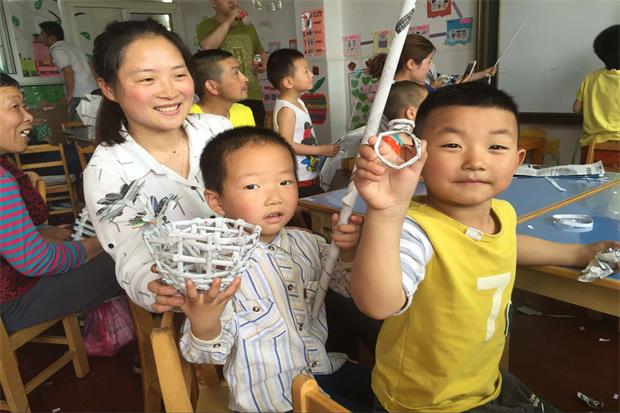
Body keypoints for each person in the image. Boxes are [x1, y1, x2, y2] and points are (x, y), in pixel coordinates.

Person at [351, 82, 619, 412]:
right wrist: (386, 213)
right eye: (453, 144)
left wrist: (580, 253)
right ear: (418, 155)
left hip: (482, 382)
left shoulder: (502, 213)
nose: (475, 161)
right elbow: (379, 303)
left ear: (517, 160)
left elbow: (507, 245)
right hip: (427, 404)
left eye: (496, 146)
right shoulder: (416, 229)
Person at [178, 126, 372, 412]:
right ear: (217, 201)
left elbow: (347, 288)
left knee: (393, 392)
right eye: (252, 186)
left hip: (321, 370)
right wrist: (204, 324)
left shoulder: (308, 243)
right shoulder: (216, 265)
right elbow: (203, 356)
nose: (274, 197)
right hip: (271, 399)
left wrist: (348, 253)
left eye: (285, 181)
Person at [83, 19, 230, 311]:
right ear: (108, 89)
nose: (170, 91)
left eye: (179, 75)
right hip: (193, 308)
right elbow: (131, 253)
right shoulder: (108, 170)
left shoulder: (219, 131)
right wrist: (151, 284)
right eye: (148, 79)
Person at [0, 73, 121, 334]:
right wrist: (100, 243)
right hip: (10, 303)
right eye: (15, 106)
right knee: (126, 256)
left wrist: (38, 234)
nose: (28, 115)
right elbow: (36, 261)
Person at [267, 48, 340, 198]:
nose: (311, 74)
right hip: (299, 178)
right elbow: (287, 144)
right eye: (306, 71)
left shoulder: (298, 102)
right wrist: (320, 150)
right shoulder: (287, 110)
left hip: (308, 172)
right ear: (288, 82)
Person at [196, 0, 268, 126]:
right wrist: (228, 21)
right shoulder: (206, 25)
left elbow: (260, 51)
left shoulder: (247, 26)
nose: (232, 1)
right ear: (213, 3)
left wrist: (263, 61)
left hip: (252, 93)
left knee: (256, 135)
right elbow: (208, 48)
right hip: (223, 94)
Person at [365, 34, 496, 91]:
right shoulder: (401, 94)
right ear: (411, 64)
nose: (430, 66)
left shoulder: (419, 85)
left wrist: (484, 73)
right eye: (429, 61)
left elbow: (454, 79)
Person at [573, 24, 620, 167]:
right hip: (617, 148)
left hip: (591, 147)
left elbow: (576, 108)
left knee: (590, 181)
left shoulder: (591, 77)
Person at [38, 21, 97, 121]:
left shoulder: (57, 50)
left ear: (52, 38)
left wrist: (69, 94)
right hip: (92, 92)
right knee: (91, 124)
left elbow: (68, 71)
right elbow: (90, 67)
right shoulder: (73, 47)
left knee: (77, 125)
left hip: (79, 94)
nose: (40, 37)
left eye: (42, 35)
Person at [189, 49, 255, 127]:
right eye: (236, 73)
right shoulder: (190, 120)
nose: (245, 79)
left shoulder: (244, 112)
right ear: (212, 86)